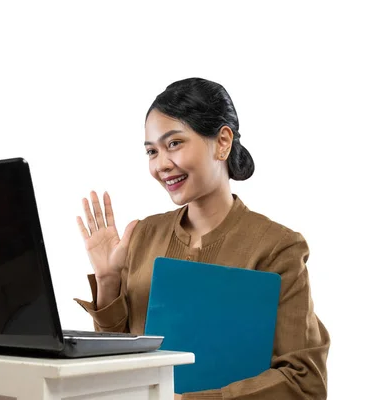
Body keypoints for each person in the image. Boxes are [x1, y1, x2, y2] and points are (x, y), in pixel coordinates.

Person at [73, 77, 330, 399]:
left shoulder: (277, 247)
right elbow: (116, 364)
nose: (161, 165)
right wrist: (108, 280)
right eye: (152, 151)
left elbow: (304, 382)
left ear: (222, 141)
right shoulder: (142, 236)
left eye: (174, 144)